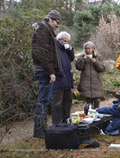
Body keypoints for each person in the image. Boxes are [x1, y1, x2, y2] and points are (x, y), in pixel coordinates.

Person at [32, 10, 61, 139]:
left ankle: (42, 128)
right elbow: (42, 53)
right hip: (44, 71)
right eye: (57, 22)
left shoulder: (46, 30)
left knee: (44, 99)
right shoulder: (43, 30)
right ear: (50, 19)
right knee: (43, 100)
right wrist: (50, 72)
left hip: (45, 70)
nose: (58, 25)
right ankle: (39, 130)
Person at [51, 31, 75, 125]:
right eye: (64, 41)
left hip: (67, 79)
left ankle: (66, 120)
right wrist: (58, 73)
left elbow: (71, 59)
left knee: (68, 101)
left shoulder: (66, 49)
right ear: (59, 39)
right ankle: (56, 123)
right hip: (58, 79)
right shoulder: (54, 48)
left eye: (67, 41)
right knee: (57, 103)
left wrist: (71, 50)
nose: (66, 43)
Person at [75, 41, 105, 109]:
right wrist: (83, 59)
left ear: (93, 48)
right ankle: (89, 117)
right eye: (86, 49)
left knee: (97, 100)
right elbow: (78, 67)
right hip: (86, 82)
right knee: (89, 103)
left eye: (89, 48)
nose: (88, 50)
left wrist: (96, 62)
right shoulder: (82, 56)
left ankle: (96, 115)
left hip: (96, 83)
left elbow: (102, 69)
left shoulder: (98, 57)